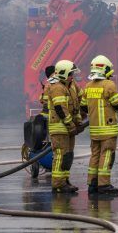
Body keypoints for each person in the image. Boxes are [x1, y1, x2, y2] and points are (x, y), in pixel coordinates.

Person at [81, 55, 118, 195]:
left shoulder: (88, 86)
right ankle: (104, 185)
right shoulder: (109, 85)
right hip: (108, 129)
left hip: (94, 130)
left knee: (95, 156)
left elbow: (83, 108)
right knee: (106, 156)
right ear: (105, 69)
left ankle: (92, 184)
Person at [45, 59, 81, 194]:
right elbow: (61, 109)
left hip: (67, 127)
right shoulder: (57, 87)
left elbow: (75, 105)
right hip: (60, 128)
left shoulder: (68, 85)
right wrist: (71, 125)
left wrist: (77, 121)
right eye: (71, 73)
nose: (73, 76)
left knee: (68, 156)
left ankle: (65, 181)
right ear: (64, 73)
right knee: (60, 155)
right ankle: (58, 184)